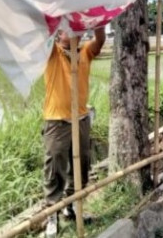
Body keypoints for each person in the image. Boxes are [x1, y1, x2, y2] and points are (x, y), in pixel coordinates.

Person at [43, 26, 105, 236]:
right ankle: (52, 211)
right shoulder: (52, 53)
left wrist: (100, 25)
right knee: (55, 165)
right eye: (65, 31)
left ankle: (71, 205)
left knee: (83, 165)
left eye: (75, 30)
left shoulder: (85, 52)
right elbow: (45, 33)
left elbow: (100, 41)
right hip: (57, 120)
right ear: (58, 35)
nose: (71, 34)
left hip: (81, 118)